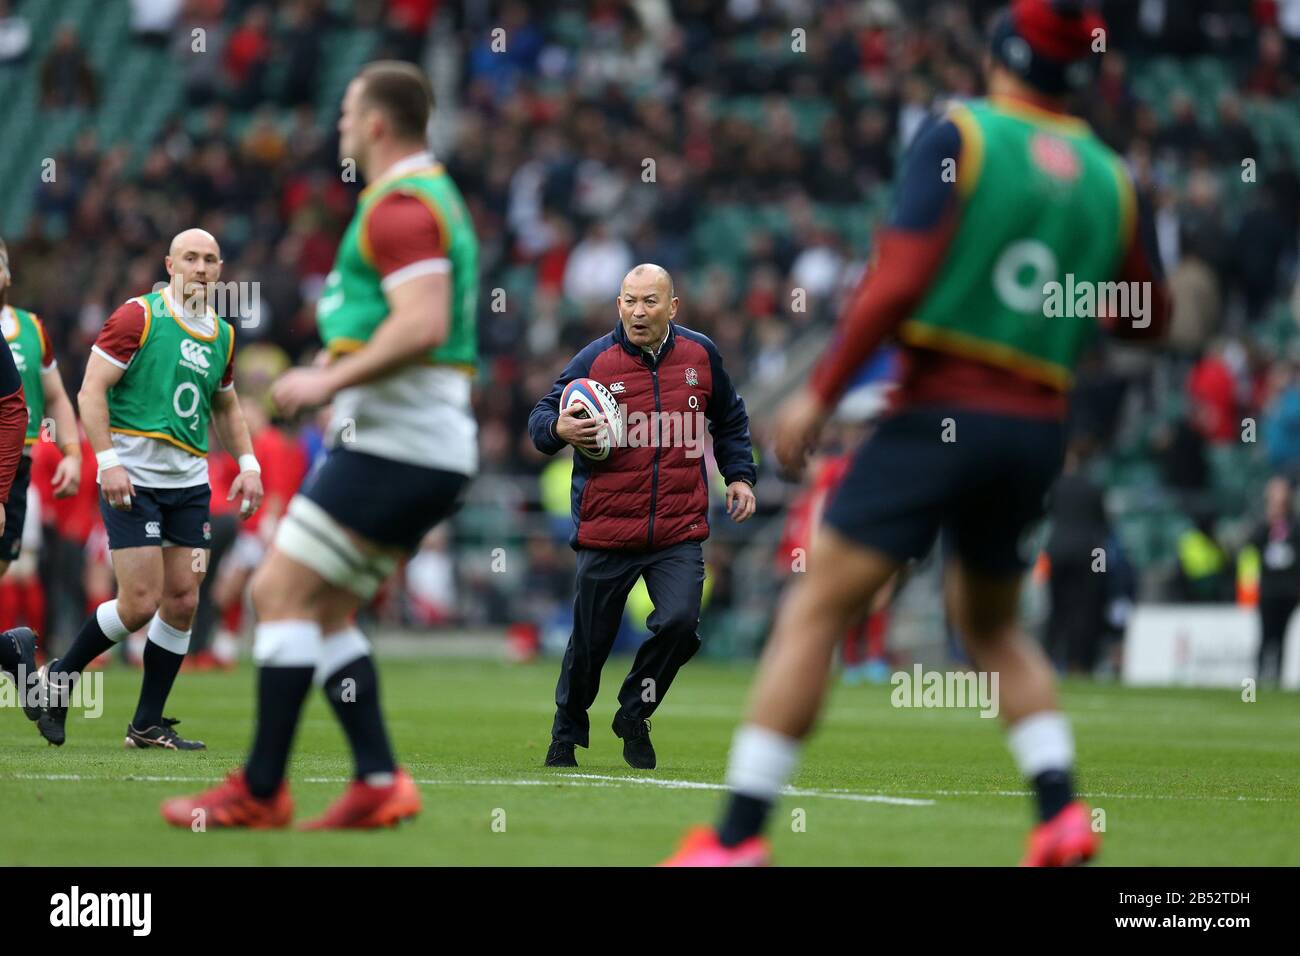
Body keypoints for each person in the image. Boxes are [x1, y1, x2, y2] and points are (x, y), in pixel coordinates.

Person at [663, 0, 1168, 866]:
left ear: (1004, 51)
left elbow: (894, 283)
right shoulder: (1110, 177)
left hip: (939, 411)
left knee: (815, 607)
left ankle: (737, 838)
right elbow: (1148, 321)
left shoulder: (961, 137)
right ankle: (1060, 814)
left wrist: (819, 395)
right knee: (995, 626)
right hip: (1036, 428)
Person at [162, 60, 479, 829]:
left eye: (345, 115)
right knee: (326, 613)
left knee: (276, 594)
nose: (339, 128)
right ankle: (377, 779)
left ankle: (262, 788)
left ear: (373, 124)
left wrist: (326, 381)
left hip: (398, 446)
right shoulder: (414, 201)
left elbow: (423, 323)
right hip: (415, 446)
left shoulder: (401, 207)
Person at [36, 228, 265, 749]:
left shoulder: (223, 334)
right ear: (169, 265)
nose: (201, 267)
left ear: (220, 270)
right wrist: (108, 461)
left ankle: (146, 724)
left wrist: (248, 463)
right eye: (190, 257)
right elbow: (91, 389)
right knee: (139, 602)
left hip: (189, 482)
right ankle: (58, 677)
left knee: (183, 600)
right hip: (133, 479)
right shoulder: (138, 316)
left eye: (210, 259)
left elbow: (226, 406)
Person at [529, 263, 757, 769]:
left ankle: (634, 712)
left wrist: (741, 476)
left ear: (672, 307)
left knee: (680, 624)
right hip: (607, 528)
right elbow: (541, 418)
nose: (638, 311)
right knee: (590, 643)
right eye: (629, 300)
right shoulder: (595, 360)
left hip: (677, 529)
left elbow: (731, 419)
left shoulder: (701, 355)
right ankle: (566, 732)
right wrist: (560, 430)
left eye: (649, 301)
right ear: (618, 305)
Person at [1246, 477, 1300, 685]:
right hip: (1268, 589)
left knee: (1282, 637)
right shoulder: (1263, 524)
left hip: (1288, 590)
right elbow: (1252, 545)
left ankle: (1277, 678)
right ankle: (1259, 678)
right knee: (1265, 635)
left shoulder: (1294, 524)